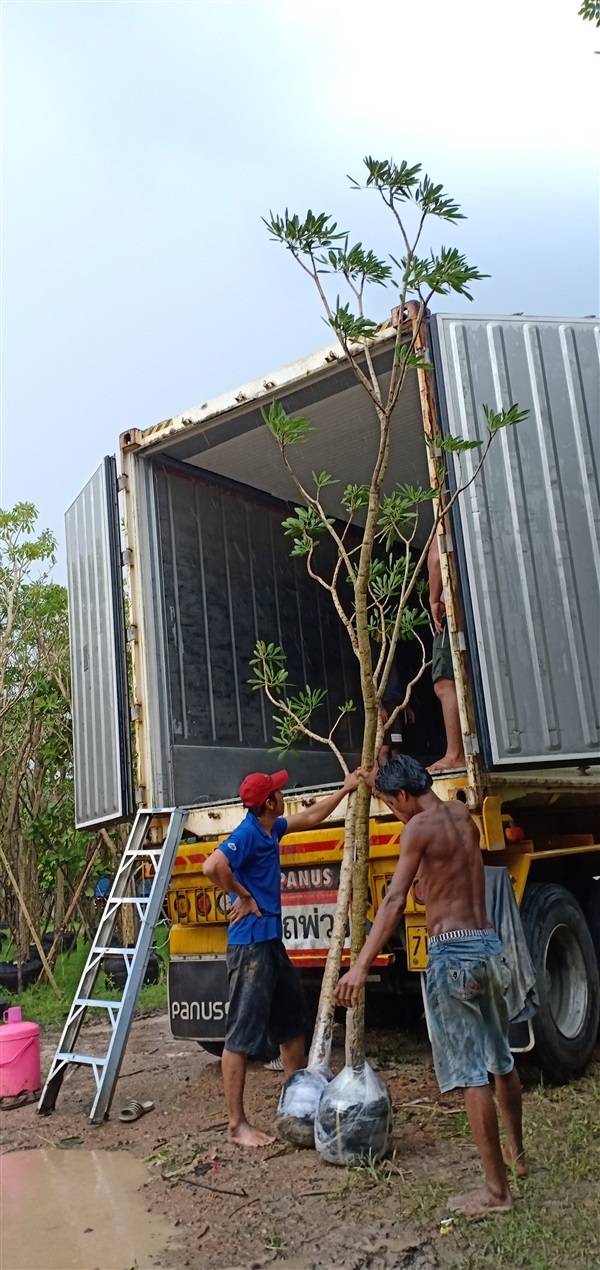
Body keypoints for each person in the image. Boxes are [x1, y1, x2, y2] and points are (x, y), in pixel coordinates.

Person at [335, 756, 525, 1217]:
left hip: (453, 954)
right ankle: (518, 1161)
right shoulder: (463, 816)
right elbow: (450, 879)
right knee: (501, 1057)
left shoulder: (417, 829)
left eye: (390, 804)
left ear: (403, 795)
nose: (394, 813)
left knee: (470, 1073)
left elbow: (396, 900)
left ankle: (496, 1193)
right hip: (487, 944)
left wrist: (360, 965)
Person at [203, 766, 361, 1148]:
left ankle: (297, 1107)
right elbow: (212, 866)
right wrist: (242, 895)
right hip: (250, 946)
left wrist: (345, 790)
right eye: (278, 791)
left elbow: (310, 816)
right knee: (241, 1036)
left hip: (271, 943)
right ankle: (236, 1124)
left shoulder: (269, 828)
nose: (282, 794)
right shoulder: (246, 835)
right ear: (270, 802)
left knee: (291, 1026)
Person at [427, 536, 465, 773]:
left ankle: (456, 755)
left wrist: (433, 599)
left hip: (452, 607)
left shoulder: (444, 504)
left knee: (445, 684)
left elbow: (436, 558)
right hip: (470, 605)